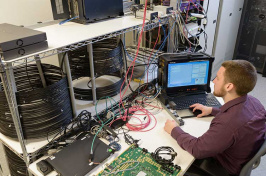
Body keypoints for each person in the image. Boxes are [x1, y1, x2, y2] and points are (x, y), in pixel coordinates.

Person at [164, 60, 266, 176]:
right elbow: (240, 119)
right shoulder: (255, 102)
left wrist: (174, 129)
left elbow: (197, 149)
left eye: (217, 78)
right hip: (238, 157)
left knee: (172, 160)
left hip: (221, 168)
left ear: (229, 86)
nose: (213, 81)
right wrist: (211, 110)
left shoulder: (228, 123)